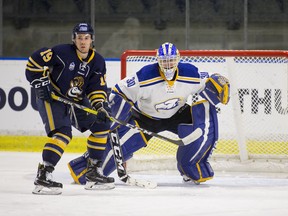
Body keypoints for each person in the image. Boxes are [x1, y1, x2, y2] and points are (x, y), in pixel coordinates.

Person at [68, 42, 230, 185]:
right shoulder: (145, 76)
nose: (168, 65)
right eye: (164, 61)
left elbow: (208, 80)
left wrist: (216, 82)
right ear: (158, 61)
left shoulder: (190, 73)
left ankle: (192, 166)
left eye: (171, 61)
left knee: (204, 120)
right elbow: (120, 91)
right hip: (144, 118)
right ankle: (86, 168)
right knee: (116, 149)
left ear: (178, 59)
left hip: (177, 114)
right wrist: (116, 115)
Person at [25, 23, 115, 195]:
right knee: (63, 133)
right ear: (74, 39)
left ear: (92, 40)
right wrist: (39, 82)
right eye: (80, 38)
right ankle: (44, 174)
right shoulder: (61, 52)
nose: (83, 41)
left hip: (76, 101)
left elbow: (96, 89)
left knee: (102, 125)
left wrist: (100, 106)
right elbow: (34, 61)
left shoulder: (98, 61)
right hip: (53, 97)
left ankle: (94, 173)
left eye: (86, 38)